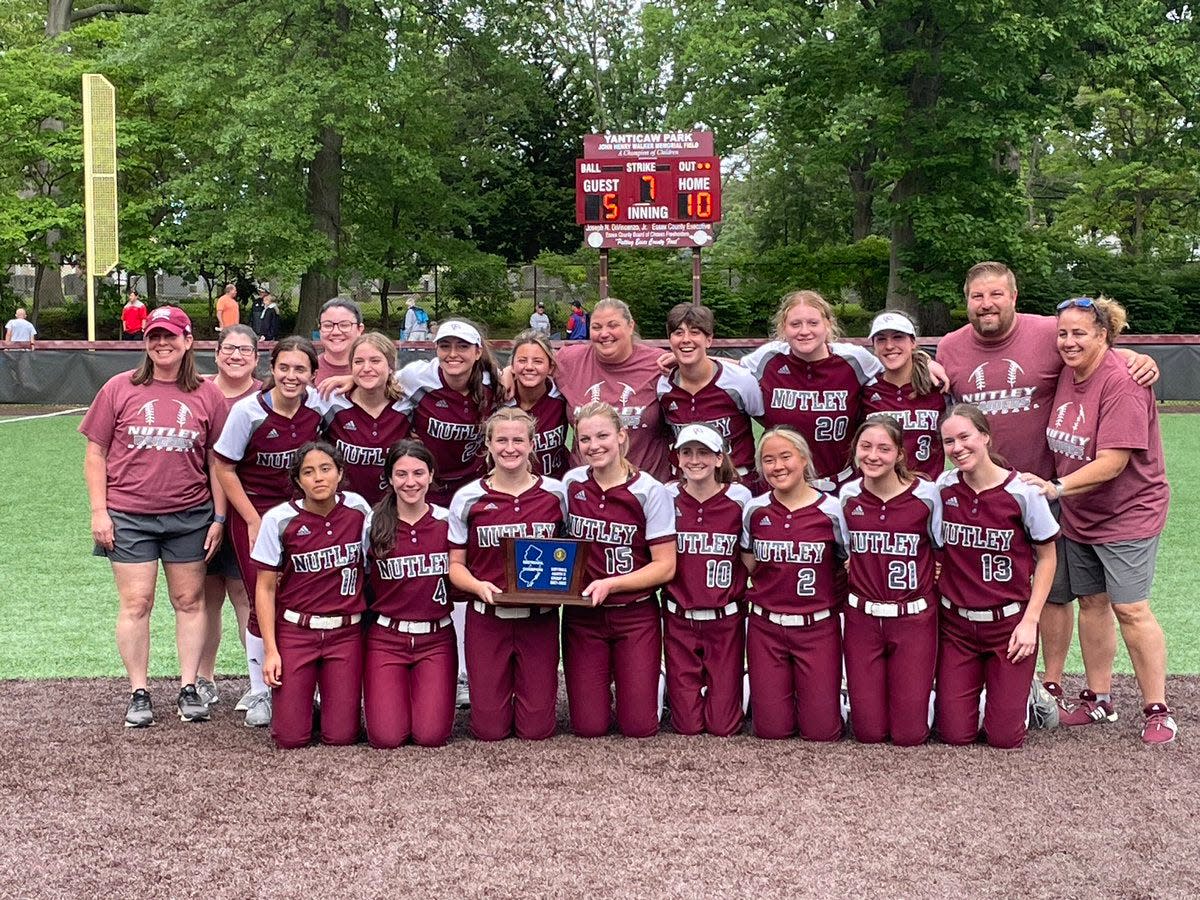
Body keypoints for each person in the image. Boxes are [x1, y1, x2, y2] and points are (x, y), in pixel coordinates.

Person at [936, 261, 1159, 712]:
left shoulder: (1047, 333)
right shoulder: (949, 347)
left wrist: (1137, 356)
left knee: (1084, 597)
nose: (987, 304)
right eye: (977, 296)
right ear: (966, 302)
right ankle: (1037, 682)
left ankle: (1104, 694)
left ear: (1015, 297)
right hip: (991, 493)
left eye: (996, 294)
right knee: (1026, 592)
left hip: (1047, 490)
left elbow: (1099, 351)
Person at [1023, 297, 1176, 744]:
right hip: (1082, 513)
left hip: (1127, 511)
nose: (1068, 342)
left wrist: (1057, 488)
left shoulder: (1123, 381)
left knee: (1130, 607)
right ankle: (1098, 698)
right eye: (1063, 333)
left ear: (1104, 335)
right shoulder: (1069, 373)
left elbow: (1113, 462)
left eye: (1080, 334)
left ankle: (1157, 708)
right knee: (1091, 602)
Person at [79, 305, 229, 727]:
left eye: (171, 336)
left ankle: (188, 686)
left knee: (188, 601)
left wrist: (218, 517)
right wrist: (99, 512)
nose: (162, 344)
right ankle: (139, 691)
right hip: (129, 515)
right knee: (136, 602)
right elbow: (96, 452)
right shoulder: (119, 388)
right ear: (145, 342)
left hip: (189, 514)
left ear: (187, 342)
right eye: (154, 337)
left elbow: (218, 460)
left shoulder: (206, 393)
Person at [212, 336, 324, 726]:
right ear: (272, 369)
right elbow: (224, 467)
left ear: (313, 374)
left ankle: (307, 684)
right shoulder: (248, 412)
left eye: (300, 369)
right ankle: (260, 691)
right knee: (264, 594)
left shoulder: (319, 407)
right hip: (257, 510)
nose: (291, 376)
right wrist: (251, 518)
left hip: (301, 510)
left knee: (305, 592)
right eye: (284, 368)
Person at [935, 404, 1058, 749]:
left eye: (965, 437)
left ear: (985, 437)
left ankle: (1030, 697)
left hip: (1007, 624)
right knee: (954, 735)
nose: (957, 447)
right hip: (956, 626)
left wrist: (1030, 621)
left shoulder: (1023, 491)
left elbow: (1047, 557)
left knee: (1004, 738)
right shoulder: (943, 487)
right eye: (948, 441)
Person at [449, 408, 569, 740]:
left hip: (539, 617)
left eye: (518, 440)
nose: (510, 448)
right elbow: (455, 565)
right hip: (488, 616)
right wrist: (477, 585)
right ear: (488, 444)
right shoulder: (469, 497)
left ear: (532, 444)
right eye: (501, 439)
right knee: (488, 730)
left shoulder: (557, 495)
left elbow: (573, 553)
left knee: (537, 730)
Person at [399, 317, 500, 707]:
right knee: (428, 576)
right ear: (435, 349)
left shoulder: (495, 386)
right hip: (428, 493)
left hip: (473, 493)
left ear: (477, 351)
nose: (452, 354)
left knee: (466, 579)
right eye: (445, 346)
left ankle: (463, 671)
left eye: (462, 347)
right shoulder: (416, 378)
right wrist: (346, 380)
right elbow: (375, 383)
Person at [562, 401, 676, 737]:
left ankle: (655, 686)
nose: (593, 446)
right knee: (588, 727)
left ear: (622, 436)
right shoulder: (571, 483)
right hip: (583, 615)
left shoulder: (649, 490)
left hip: (634, 613)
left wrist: (612, 583)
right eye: (584, 439)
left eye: (602, 436)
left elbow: (665, 567)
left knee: (639, 727)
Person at [252, 442, 372, 749]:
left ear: (340, 473)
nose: (318, 478)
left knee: (342, 737)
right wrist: (271, 650)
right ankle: (303, 703)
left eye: (326, 469)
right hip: (297, 630)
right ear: (297, 481)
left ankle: (322, 705)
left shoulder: (358, 509)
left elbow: (373, 568)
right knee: (290, 739)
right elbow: (265, 588)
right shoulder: (278, 519)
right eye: (308, 472)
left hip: (345, 632)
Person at [838, 415, 941, 745]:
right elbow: (845, 552)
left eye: (884, 448)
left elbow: (942, 547)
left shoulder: (927, 495)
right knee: (868, 733)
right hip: (863, 618)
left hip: (912, 617)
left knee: (909, 735)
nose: (873, 456)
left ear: (899, 454)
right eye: (865, 447)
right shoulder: (847, 495)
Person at [740, 427, 848, 741]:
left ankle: (830, 699)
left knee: (821, 732)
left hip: (817, 626)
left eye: (786, 456)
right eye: (768, 460)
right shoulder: (755, 509)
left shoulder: (832, 509)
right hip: (766, 627)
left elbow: (846, 564)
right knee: (771, 730)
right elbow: (749, 562)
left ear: (803, 459)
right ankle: (759, 687)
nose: (778, 466)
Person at [364, 440, 456, 748]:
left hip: (437, 638)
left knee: (431, 736)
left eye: (418, 473)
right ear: (390, 478)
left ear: (431, 475)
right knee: (386, 737)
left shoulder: (448, 521)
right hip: (387, 637)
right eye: (401, 474)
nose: (410, 482)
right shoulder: (373, 521)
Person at [741, 291, 883, 492]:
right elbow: (730, 372)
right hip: (781, 487)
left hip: (840, 487)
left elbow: (894, 370)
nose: (804, 331)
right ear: (783, 328)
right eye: (795, 324)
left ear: (827, 324)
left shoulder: (855, 359)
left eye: (813, 323)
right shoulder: (768, 358)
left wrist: (924, 362)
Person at [662, 424, 751, 736]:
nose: (694, 459)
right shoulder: (667, 496)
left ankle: (745, 684)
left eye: (703, 452)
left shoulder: (741, 499)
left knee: (723, 726)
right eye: (687, 452)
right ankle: (664, 684)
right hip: (679, 616)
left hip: (724, 619)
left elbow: (750, 557)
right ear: (677, 458)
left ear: (718, 458)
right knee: (686, 726)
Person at [197, 324, 262, 708]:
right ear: (217, 352)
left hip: (249, 508)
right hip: (198, 507)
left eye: (245, 350)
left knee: (245, 593)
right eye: (229, 348)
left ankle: (257, 683)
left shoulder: (265, 395)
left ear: (257, 356)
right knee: (205, 596)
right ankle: (204, 679)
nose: (236, 355)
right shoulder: (199, 390)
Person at [551, 298, 672, 481]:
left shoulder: (658, 364)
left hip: (644, 489)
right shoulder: (570, 360)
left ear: (631, 326)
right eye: (597, 327)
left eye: (612, 325)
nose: (604, 333)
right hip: (586, 492)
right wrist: (508, 372)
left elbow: (708, 368)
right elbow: (531, 364)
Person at [656, 302, 763, 487]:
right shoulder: (664, 386)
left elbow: (768, 423)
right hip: (686, 485)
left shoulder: (739, 381)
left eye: (695, 332)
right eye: (678, 333)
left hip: (736, 483)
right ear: (670, 339)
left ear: (709, 340)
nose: (686, 339)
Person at [320, 332, 412, 505]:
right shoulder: (331, 401)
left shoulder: (407, 404)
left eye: (375, 361)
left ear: (391, 366)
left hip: (392, 508)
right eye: (358, 362)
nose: (366, 368)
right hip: (344, 509)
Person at [860, 311, 947, 480]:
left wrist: (926, 361)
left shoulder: (937, 386)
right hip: (879, 490)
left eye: (898, 337)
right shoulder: (865, 389)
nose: (889, 346)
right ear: (873, 346)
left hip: (927, 491)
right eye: (881, 339)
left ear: (913, 342)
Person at [507, 330, 569, 479]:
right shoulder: (500, 397)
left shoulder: (562, 396)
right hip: (509, 489)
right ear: (512, 365)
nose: (529, 367)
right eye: (522, 360)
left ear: (550, 367)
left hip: (552, 488)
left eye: (538, 361)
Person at [314, 297, 365, 386]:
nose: (336, 332)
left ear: (359, 329)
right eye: (328, 325)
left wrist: (355, 380)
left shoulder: (372, 370)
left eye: (344, 325)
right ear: (320, 329)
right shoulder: (307, 367)